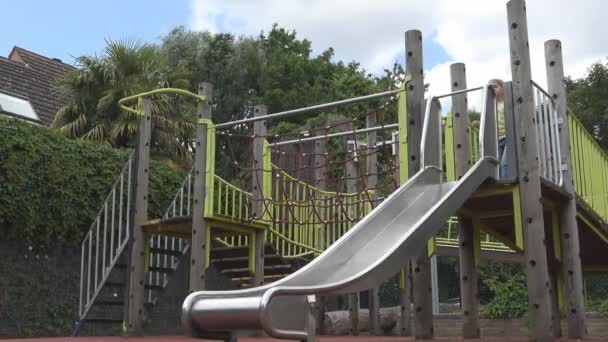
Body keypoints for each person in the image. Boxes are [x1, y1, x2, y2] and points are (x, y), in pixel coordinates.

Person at [472, 79, 508, 177]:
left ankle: (504, 181)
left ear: (503, 89)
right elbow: (488, 123)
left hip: (508, 137)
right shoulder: (490, 106)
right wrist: (479, 124)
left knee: (505, 162)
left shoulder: (506, 103)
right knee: (497, 163)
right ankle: (499, 180)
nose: (493, 90)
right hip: (497, 140)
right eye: (491, 89)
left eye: (495, 87)